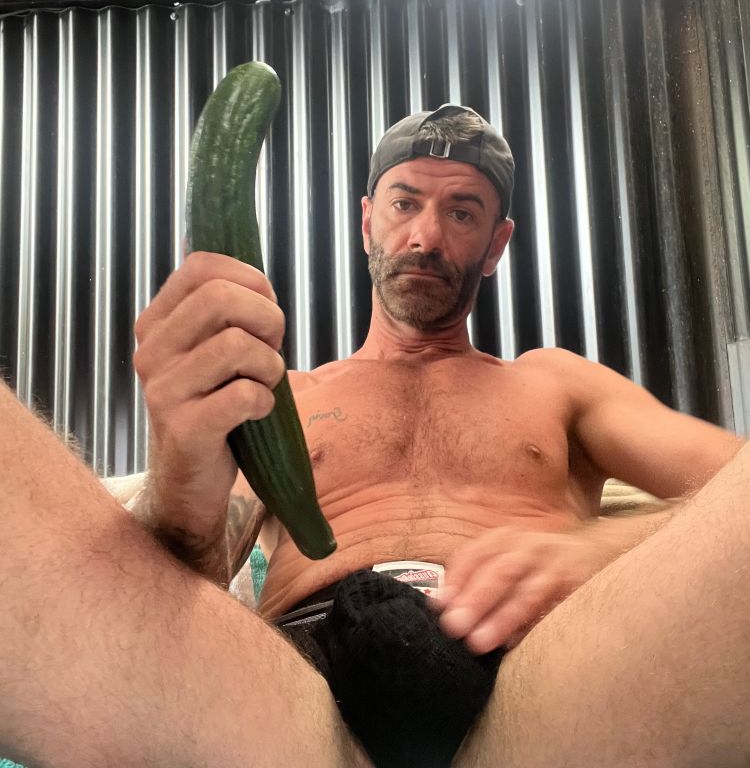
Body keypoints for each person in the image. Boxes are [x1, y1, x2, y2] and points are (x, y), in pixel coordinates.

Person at [1, 103, 748, 768]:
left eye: (463, 213)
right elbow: (182, 581)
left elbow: (733, 482)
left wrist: (600, 549)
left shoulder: (556, 382)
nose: (426, 236)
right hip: (294, 705)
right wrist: (176, 471)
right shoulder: (278, 396)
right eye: (404, 203)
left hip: (545, 686)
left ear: (496, 244)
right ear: (368, 221)